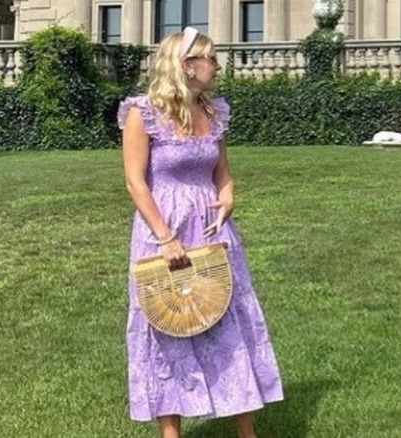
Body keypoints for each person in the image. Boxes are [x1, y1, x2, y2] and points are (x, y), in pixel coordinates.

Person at [117, 26, 284, 438]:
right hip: (165, 228)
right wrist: (165, 236)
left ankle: (247, 430)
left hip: (212, 230)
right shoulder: (143, 112)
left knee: (230, 319)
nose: (218, 66)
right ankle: (170, 432)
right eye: (211, 58)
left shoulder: (213, 113)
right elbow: (136, 182)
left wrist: (227, 196)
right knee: (167, 322)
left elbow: (222, 172)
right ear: (187, 66)